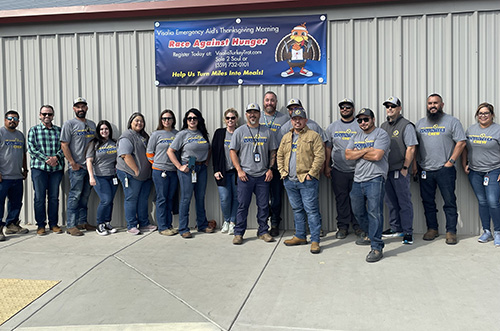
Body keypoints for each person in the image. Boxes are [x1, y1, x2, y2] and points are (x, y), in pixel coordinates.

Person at [414, 93, 466, 245]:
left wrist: (451, 161)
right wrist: (416, 165)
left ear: (442, 104)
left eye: (435, 103)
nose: (432, 106)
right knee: (427, 201)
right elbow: (414, 146)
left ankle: (451, 232)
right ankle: (432, 229)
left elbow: (461, 142)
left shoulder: (452, 121)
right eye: (430, 103)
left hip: (445, 169)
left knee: (449, 201)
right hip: (425, 169)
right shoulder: (420, 123)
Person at [277, 108, 325, 254]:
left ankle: (315, 240)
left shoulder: (314, 135)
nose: (297, 121)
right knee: (297, 209)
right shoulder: (287, 137)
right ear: (291, 120)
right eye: (294, 119)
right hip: (289, 180)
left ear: (305, 120)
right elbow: (279, 155)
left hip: (306, 180)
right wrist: (282, 171)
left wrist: (311, 174)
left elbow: (320, 156)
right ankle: (300, 236)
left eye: (300, 118)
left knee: (311, 211)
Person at [346, 108, 390, 263]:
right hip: (358, 179)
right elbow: (347, 155)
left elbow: (378, 156)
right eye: (360, 120)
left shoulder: (381, 134)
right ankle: (369, 234)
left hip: (375, 179)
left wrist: (358, 152)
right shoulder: (356, 136)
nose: (363, 123)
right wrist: (367, 150)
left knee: (374, 212)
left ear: (373, 119)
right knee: (357, 211)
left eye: (366, 119)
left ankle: (377, 246)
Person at [230, 103, 278, 245]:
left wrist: (270, 169)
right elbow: (232, 151)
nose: (252, 115)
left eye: (255, 112)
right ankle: (239, 233)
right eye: (250, 112)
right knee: (242, 205)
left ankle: (263, 231)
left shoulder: (267, 131)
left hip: (262, 176)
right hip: (245, 175)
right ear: (246, 115)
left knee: (263, 205)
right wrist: (239, 170)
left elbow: (273, 151)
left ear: (259, 114)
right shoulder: (240, 131)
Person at [167, 108, 214, 238]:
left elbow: (208, 148)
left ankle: (202, 224)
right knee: (186, 198)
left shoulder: (202, 133)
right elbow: (170, 151)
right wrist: (179, 166)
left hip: (201, 169)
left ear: (199, 119)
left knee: (200, 197)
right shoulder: (182, 134)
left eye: (195, 118)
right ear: (186, 120)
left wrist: (206, 162)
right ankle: (183, 228)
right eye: (189, 118)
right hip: (187, 170)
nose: (192, 120)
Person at [380, 97, 418, 245]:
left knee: (404, 202)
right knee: (390, 201)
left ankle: (408, 232)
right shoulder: (383, 126)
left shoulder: (406, 125)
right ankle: (396, 228)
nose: (390, 109)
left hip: (399, 170)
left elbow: (411, 147)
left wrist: (405, 168)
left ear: (399, 108)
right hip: (386, 170)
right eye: (387, 106)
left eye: (393, 106)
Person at [462, 102, 500, 246]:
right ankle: (487, 231)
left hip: (493, 170)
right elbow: (465, 148)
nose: (483, 116)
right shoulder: (471, 130)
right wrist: (464, 163)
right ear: (477, 115)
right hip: (475, 172)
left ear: (492, 115)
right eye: (480, 113)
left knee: (493, 202)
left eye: (486, 113)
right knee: (482, 202)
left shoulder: (497, 130)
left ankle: (498, 231)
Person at [324, 98, 363, 239]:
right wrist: (327, 166)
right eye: (342, 107)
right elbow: (328, 148)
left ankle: (359, 227)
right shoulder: (332, 127)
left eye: (348, 107)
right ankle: (343, 227)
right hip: (338, 170)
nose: (345, 109)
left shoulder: (359, 125)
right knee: (341, 199)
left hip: (357, 170)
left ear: (353, 109)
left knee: (358, 200)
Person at [116, 112, 157, 235]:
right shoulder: (127, 136)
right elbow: (125, 155)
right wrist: (136, 170)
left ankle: (144, 223)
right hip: (131, 174)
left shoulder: (143, 136)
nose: (139, 123)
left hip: (145, 176)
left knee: (143, 199)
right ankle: (131, 225)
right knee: (131, 199)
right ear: (131, 122)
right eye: (136, 121)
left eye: (141, 121)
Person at [60, 97, 96, 236]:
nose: (80, 109)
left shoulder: (92, 124)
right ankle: (71, 225)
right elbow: (64, 144)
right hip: (77, 168)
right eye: (78, 107)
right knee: (74, 196)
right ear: (74, 109)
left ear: (86, 108)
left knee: (85, 196)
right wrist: (72, 163)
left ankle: (82, 222)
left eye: (83, 106)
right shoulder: (69, 124)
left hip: (89, 167)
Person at [27, 105, 64, 236]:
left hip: (56, 169)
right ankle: (41, 225)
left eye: (49, 114)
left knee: (54, 197)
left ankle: (53, 224)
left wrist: (56, 157)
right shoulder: (34, 130)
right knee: (39, 197)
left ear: (53, 116)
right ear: (39, 115)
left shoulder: (59, 130)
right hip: (39, 169)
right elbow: (32, 148)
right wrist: (47, 159)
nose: (46, 116)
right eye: (44, 114)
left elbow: (64, 146)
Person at [260, 91, 289, 237]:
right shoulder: (257, 117)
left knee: (277, 197)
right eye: (267, 100)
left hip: (278, 163)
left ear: (276, 102)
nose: (269, 103)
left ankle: (276, 223)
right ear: (263, 102)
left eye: (272, 100)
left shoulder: (284, 118)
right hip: (259, 164)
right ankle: (263, 224)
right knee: (263, 197)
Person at [147, 110, 179, 236]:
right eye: (164, 118)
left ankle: (169, 224)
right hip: (160, 171)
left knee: (170, 198)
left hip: (173, 170)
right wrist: (157, 164)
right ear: (161, 120)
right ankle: (162, 227)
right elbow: (149, 153)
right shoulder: (156, 134)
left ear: (173, 120)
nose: (167, 121)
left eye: (169, 118)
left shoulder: (177, 134)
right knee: (162, 198)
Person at [0, 110, 29, 241]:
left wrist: (25, 169)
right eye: (10, 118)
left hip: (17, 176)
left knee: (16, 202)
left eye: (16, 119)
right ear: (5, 119)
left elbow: (23, 153)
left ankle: (12, 224)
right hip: (3, 176)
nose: (13, 120)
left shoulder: (20, 135)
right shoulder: (1, 133)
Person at [86, 120, 118, 236]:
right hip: (99, 176)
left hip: (113, 176)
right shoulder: (93, 143)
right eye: (101, 129)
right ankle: (99, 225)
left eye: (106, 129)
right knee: (105, 200)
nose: (104, 131)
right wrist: (91, 177)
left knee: (110, 202)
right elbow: (89, 161)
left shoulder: (114, 143)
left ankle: (107, 223)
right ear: (98, 131)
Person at [212, 108, 239, 235]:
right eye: (228, 118)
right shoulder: (219, 133)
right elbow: (215, 153)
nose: (230, 120)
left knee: (237, 198)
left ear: (236, 119)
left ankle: (233, 222)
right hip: (223, 171)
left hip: (237, 172)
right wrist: (216, 170)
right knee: (225, 198)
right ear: (225, 119)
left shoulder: (240, 132)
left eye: (232, 118)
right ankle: (226, 221)